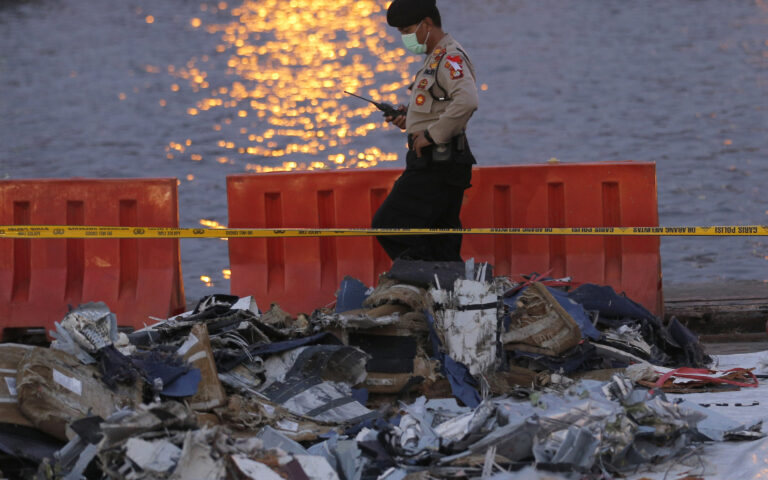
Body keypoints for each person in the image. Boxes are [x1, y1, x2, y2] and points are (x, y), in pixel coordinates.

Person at [372, 0, 479, 262]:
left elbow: (467, 101)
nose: (405, 38)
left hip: (439, 160)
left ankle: (422, 284)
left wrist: (431, 135)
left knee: (389, 224)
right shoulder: (434, 58)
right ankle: (447, 292)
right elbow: (439, 106)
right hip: (440, 159)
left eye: (407, 30)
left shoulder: (449, 57)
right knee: (441, 238)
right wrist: (410, 118)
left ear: (427, 24)